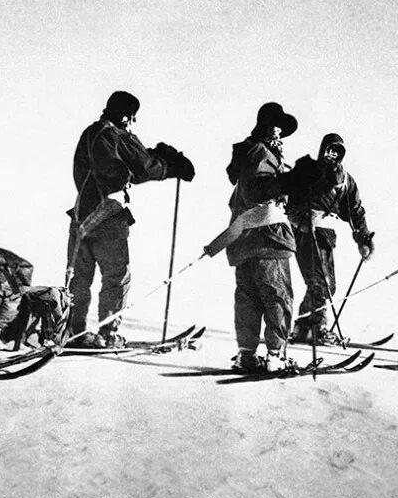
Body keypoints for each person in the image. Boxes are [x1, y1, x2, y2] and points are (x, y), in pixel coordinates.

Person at [66, 91, 194, 349]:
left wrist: (155, 156)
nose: (133, 122)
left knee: (80, 278)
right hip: (108, 217)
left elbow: (132, 159)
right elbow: (140, 167)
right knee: (116, 277)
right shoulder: (115, 135)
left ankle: (73, 331)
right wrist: (169, 165)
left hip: (81, 217)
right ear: (125, 115)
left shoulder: (91, 134)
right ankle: (108, 334)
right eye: (132, 117)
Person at [224, 102, 314, 372]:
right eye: (276, 127)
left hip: (244, 240)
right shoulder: (262, 152)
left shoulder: (251, 153)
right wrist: (295, 178)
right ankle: (276, 356)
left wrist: (294, 181)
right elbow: (261, 189)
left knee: (249, 298)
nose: (279, 134)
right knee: (277, 296)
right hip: (268, 238)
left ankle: (246, 354)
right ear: (266, 127)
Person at [287, 133, 375, 345]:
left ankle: (302, 326)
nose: (332, 154)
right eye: (329, 149)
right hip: (304, 232)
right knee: (321, 283)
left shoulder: (344, 180)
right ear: (322, 149)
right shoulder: (307, 172)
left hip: (326, 235)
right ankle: (320, 327)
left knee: (324, 284)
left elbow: (354, 210)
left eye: (337, 151)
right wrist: (299, 212)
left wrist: (363, 238)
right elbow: (287, 195)